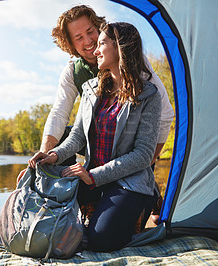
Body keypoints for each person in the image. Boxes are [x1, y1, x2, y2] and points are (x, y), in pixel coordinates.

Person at [29, 22, 162, 251]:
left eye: (101, 43)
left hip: (125, 181)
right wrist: (53, 155)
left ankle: (146, 200)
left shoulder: (149, 95)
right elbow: (78, 136)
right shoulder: (92, 89)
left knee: (101, 239)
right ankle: (98, 204)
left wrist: (92, 176)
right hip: (91, 177)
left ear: (120, 48)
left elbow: (143, 155)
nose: (96, 50)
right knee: (45, 219)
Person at [40, 5, 174, 167]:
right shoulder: (72, 72)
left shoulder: (133, 61)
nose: (88, 41)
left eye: (90, 32)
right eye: (79, 37)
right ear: (71, 44)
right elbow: (59, 114)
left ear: (99, 29)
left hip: (131, 146)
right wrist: (43, 157)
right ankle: (62, 187)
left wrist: (147, 162)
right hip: (100, 141)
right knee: (61, 138)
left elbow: (165, 114)